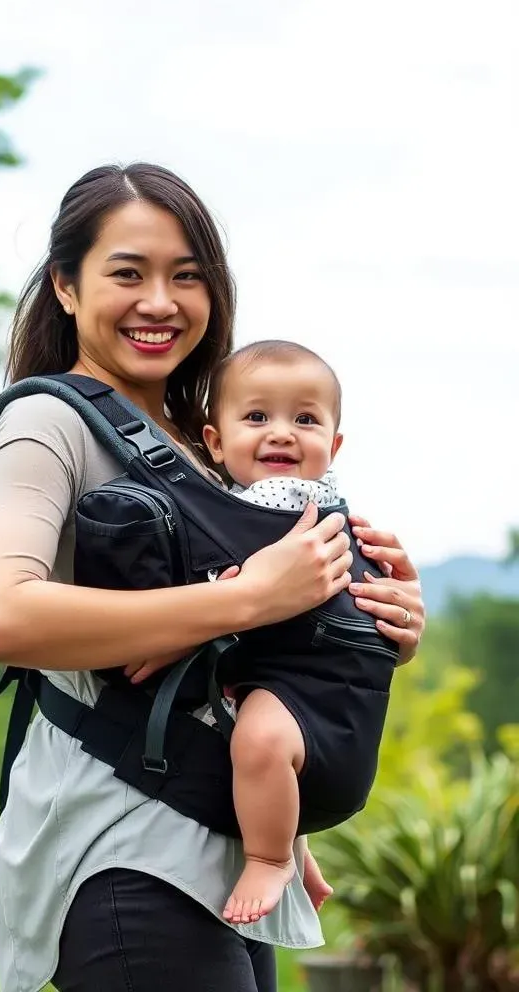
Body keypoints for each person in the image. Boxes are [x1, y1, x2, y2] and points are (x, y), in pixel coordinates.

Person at [0, 162, 425, 992]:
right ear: (66, 286)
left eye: (187, 276)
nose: (160, 302)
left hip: (217, 840)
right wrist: (249, 596)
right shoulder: (45, 424)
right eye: (127, 273)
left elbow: (233, 661)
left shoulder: (205, 446)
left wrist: (364, 620)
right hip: (121, 846)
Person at [198, 339, 360, 926]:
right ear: (215, 440)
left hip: (309, 676)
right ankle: (294, 845)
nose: (283, 433)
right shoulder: (229, 503)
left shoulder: (290, 504)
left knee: (262, 742)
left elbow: (250, 575)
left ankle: (269, 858)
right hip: (269, 670)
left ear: (334, 444)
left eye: (306, 419)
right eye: (258, 416)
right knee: (256, 753)